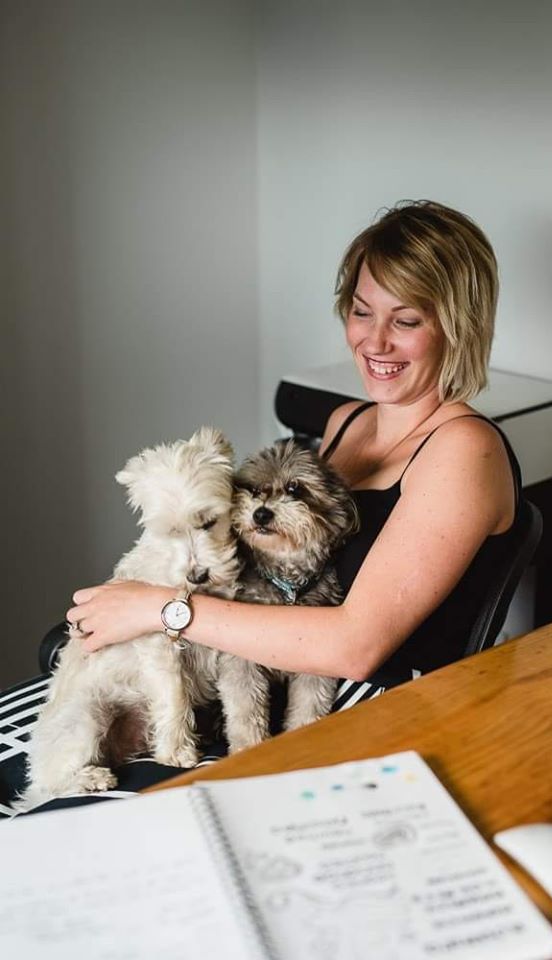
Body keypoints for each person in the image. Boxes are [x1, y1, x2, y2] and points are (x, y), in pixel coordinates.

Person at [0, 200, 524, 812]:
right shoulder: (347, 421)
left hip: (354, 722)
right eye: (360, 312)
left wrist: (159, 610)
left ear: (458, 325)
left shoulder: (463, 450)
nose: (374, 341)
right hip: (252, 693)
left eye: (405, 320)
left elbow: (355, 646)